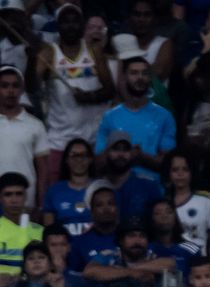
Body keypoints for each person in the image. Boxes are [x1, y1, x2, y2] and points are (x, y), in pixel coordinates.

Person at [33, 2, 114, 184]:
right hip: (59, 140)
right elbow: (32, 86)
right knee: (56, 191)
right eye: (65, 22)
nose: (70, 26)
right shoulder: (48, 53)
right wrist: (32, 60)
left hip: (92, 139)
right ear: (58, 26)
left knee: (93, 192)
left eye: (75, 21)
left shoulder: (94, 51)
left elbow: (110, 90)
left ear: (82, 25)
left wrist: (89, 97)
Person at [96, 57, 176, 179]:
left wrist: (141, 156)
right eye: (134, 73)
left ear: (150, 78)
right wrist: (121, 156)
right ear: (123, 78)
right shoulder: (109, 117)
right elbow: (98, 163)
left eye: (145, 73)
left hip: (152, 188)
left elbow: (169, 164)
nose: (140, 78)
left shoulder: (164, 116)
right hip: (116, 187)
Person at [0, 66, 49, 206]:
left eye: (15, 86)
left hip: (26, 202)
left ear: (22, 89)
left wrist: (40, 205)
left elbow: (43, 170)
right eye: (4, 86)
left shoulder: (36, 125)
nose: (10, 91)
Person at [99, 131, 166, 222]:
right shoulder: (96, 187)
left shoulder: (148, 185)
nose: (121, 155)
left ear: (131, 154)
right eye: (116, 149)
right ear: (106, 153)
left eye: (125, 150)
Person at [162, 150, 210, 250]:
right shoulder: (161, 202)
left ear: (192, 172)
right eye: (175, 170)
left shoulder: (206, 199)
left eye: (185, 169)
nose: (180, 174)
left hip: (201, 258)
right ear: (168, 173)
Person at [0, 172, 43, 277]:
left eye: (19, 194)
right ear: (0, 198)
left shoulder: (40, 231)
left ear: (26, 197)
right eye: (8, 194)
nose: (14, 200)